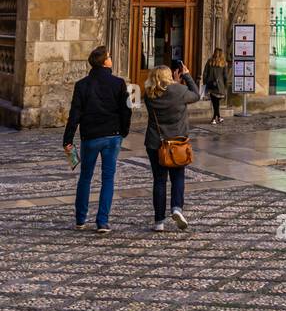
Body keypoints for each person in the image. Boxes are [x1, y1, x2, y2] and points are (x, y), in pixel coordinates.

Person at [63, 46, 131, 233]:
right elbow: (126, 110)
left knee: (85, 177)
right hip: (112, 135)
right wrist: (124, 131)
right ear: (104, 61)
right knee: (108, 179)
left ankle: (80, 218)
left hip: (90, 136)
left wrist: (67, 139)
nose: (111, 59)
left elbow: (74, 114)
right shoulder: (118, 83)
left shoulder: (82, 85)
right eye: (109, 56)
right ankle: (102, 221)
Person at [143, 62, 199, 232]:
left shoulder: (149, 94)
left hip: (156, 143)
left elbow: (163, 92)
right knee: (178, 177)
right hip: (177, 142)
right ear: (170, 76)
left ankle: (159, 221)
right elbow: (196, 95)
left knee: (159, 181)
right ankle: (176, 208)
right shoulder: (179, 92)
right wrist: (186, 75)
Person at [202, 47, 227, 125]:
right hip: (220, 86)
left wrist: (205, 82)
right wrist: (225, 85)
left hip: (211, 85)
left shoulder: (210, 61)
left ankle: (214, 118)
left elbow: (205, 73)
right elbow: (225, 76)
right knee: (216, 103)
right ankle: (218, 118)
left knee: (215, 103)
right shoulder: (224, 63)